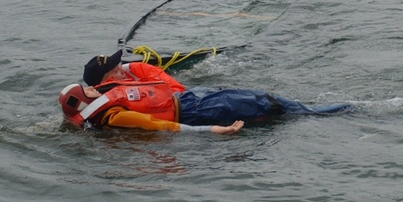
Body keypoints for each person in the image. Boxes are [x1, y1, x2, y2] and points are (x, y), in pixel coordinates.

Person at [59, 80, 351, 134]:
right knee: (271, 105)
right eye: (88, 90)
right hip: (199, 113)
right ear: (84, 101)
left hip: (191, 101)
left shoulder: (105, 103)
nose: (94, 88)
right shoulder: (116, 116)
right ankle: (346, 111)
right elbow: (163, 126)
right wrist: (212, 130)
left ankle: (319, 109)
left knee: (268, 100)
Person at [83, 50, 186, 93]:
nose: (122, 70)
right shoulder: (108, 100)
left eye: (118, 66)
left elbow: (178, 90)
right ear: (105, 82)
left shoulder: (136, 69)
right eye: (116, 71)